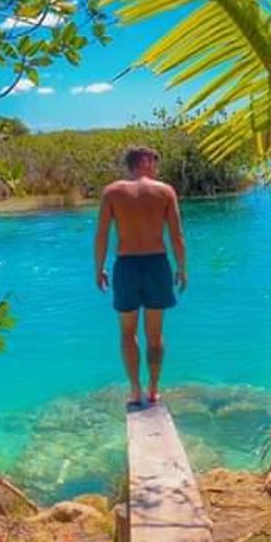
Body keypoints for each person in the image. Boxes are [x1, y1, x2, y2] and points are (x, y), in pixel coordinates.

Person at [94, 145, 187, 409]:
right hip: (157, 264)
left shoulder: (112, 192)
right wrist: (182, 267)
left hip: (126, 266)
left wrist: (99, 267)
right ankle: (154, 389)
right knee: (155, 336)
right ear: (145, 162)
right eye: (154, 162)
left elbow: (101, 234)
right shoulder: (164, 191)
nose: (156, 168)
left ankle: (135, 390)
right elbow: (176, 235)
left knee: (127, 333)